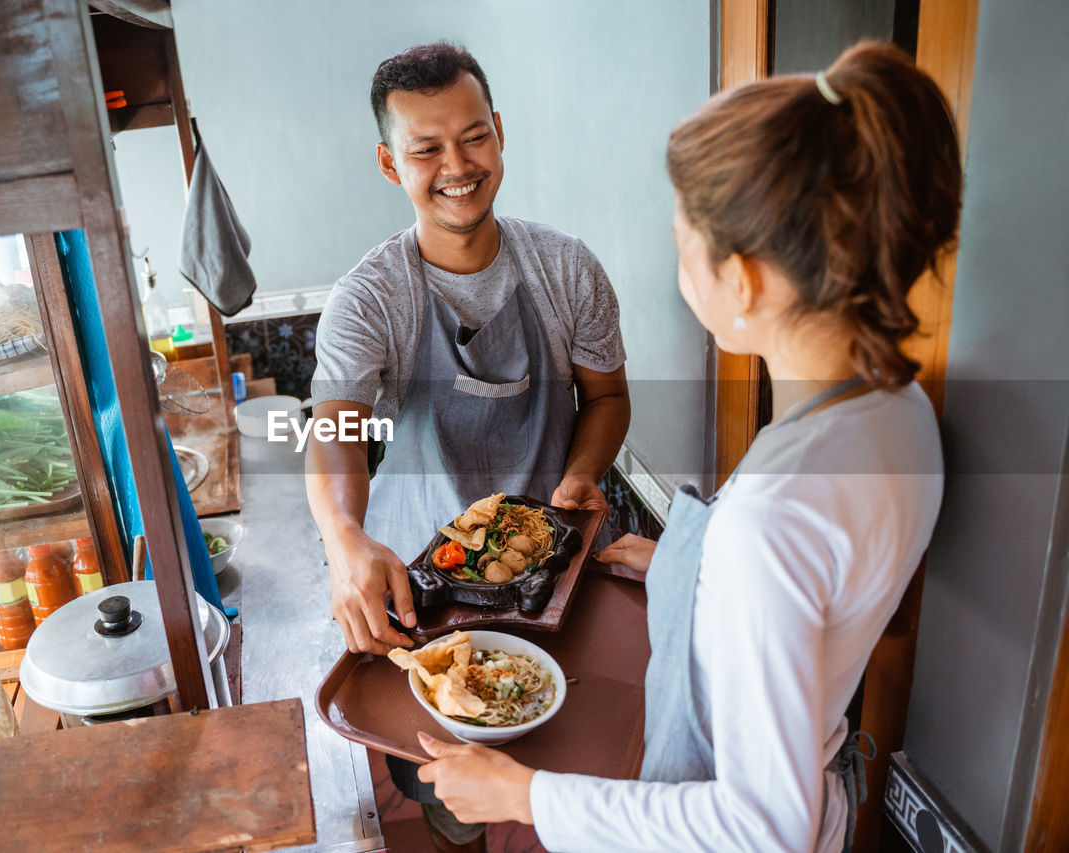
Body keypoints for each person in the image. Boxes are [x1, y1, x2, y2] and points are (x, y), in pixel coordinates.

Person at [415, 41, 961, 852]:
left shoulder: (772, 521)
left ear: (741, 281)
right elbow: (818, 596)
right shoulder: (896, 409)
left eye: (682, 244)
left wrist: (528, 794)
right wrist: (680, 564)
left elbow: (761, 826)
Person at [305, 41, 629, 851]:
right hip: (427, 595)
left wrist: (583, 472)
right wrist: (345, 538)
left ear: (500, 133)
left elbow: (609, 397)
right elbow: (334, 429)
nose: (457, 163)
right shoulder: (369, 297)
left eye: (474, 136)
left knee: (580, 776)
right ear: (391, 163)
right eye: (426, 148)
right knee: (447, 790)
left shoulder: (567, 268)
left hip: (558, 574)